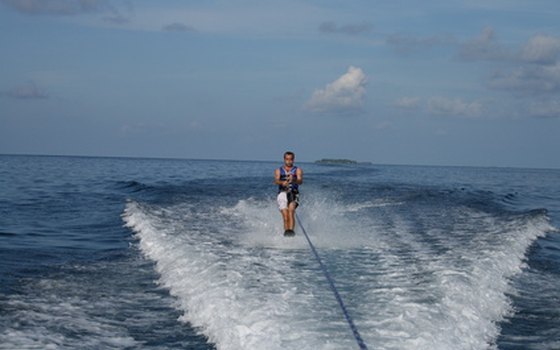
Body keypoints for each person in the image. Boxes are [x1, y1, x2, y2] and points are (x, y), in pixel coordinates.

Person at [274, 151, 303, 236]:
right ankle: (287, 233)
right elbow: (276, 181)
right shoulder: (278, 170)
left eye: (291, 159)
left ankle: (291, 231)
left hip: (293, 193)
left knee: (291, 210)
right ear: (284, 159)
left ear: (293, 160)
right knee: (285, 216)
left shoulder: (298, 170)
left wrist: (293, 179)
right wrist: (282, 182)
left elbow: (300, 181)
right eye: (287, 159)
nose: (289, 161)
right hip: (282, 193)